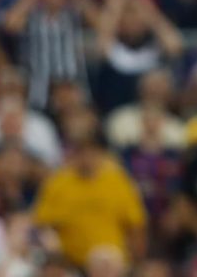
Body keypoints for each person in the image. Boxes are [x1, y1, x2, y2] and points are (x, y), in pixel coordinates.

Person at [33, 108, 147, 267]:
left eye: (91, 151)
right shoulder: (58, 183)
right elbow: (43, 225)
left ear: (101, 153)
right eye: (81, 151)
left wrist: (136, 263)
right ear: (73, 154)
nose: (86, 157)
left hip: (113, 266)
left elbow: (135, 227)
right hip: (71, 265)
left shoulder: (117, 180)